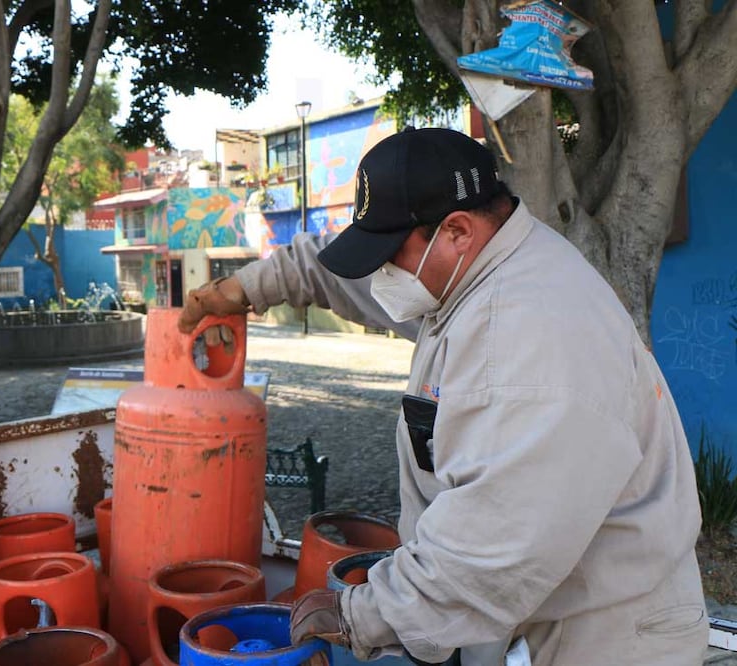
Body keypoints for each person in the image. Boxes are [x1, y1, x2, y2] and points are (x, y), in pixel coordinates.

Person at [178, 127, 707, 665]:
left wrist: (359, 614)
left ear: (456, 231)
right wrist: (247, 288)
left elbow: (491, 549)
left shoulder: (529, 335)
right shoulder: (472, 272)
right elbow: (343, 275)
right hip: (536, 622)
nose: (382, 274)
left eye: (388, 256)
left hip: (605, 642)